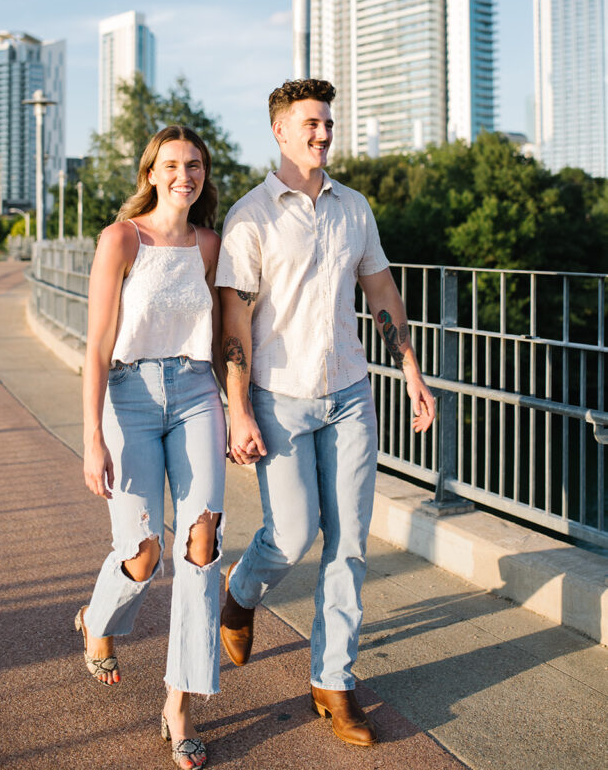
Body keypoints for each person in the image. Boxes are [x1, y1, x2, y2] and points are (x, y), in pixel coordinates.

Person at [216, 79, 435, 748]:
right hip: (278, 398)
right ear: (280, 132)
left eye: (327, 123)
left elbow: (380, 289)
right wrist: (237, 411)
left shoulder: (354, 208)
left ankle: (332, 682)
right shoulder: (250, 216)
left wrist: (409, 368)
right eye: (309, 123)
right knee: (292, 533)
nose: (322, 133)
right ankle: (242, 592)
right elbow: (234, 320)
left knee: (348, 544)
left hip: (349, 395)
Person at [75, 125, 226, 770]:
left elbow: (222, 339)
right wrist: (90, 437)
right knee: (142, 553)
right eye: (171, 165)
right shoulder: (121, 240)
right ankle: (97, 619)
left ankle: (179, 707)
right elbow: (98, 344)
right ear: (151, 172)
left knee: (201, 544)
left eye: (194, 165)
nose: (183, 175)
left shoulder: (211, 245)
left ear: (203, 175)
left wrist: (239, 409)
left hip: (196, 392)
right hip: (128, 396)